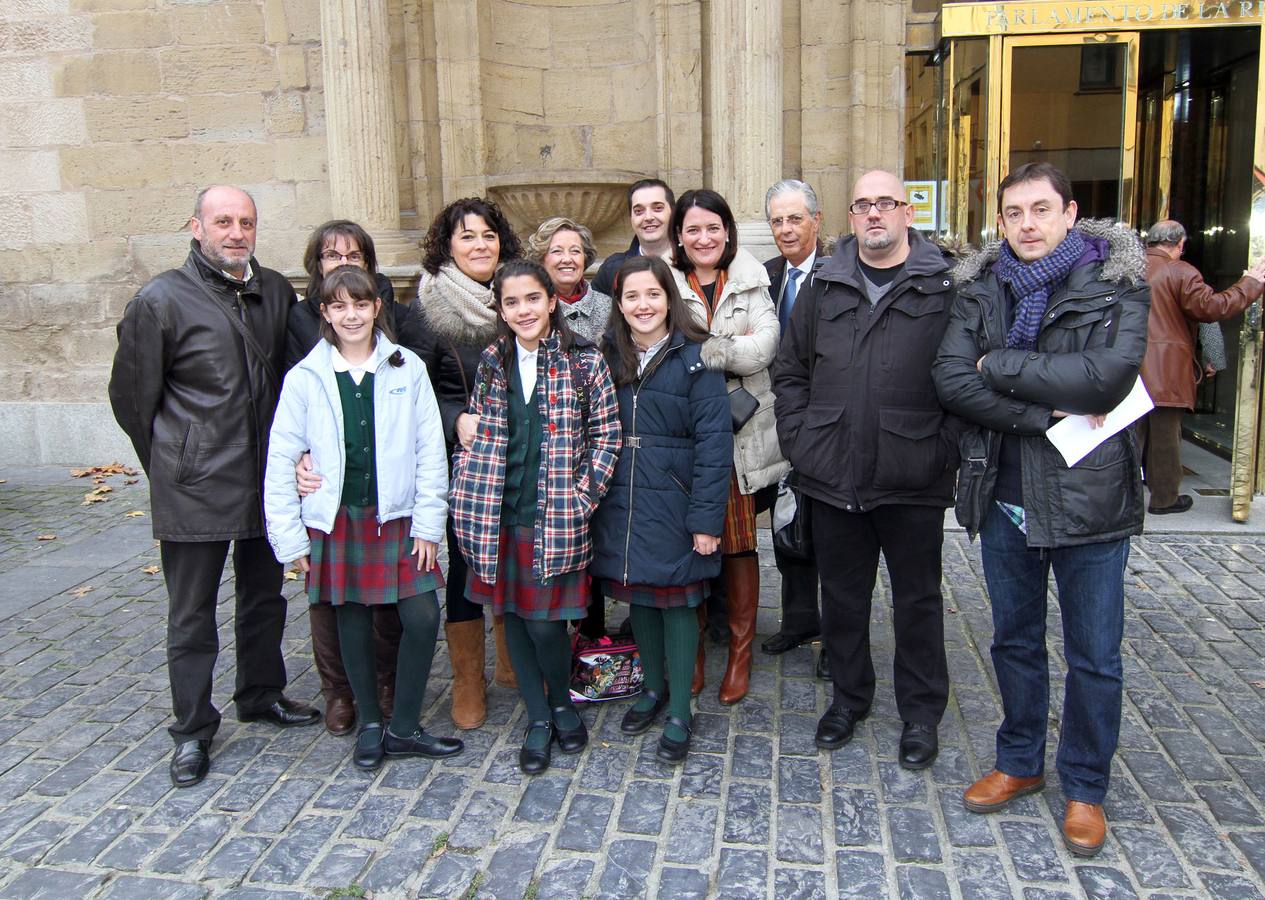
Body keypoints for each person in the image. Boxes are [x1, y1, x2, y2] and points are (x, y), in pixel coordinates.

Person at [933, 162, 1150, 858]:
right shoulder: (979, 288)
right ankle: (1019, 760)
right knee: (1013, 641)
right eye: (1012, 212)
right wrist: (1045, 409)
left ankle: (1084, 787)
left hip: (1090, 500)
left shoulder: (1115, 282)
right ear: (999, 221)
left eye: (1038, 209)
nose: (1025, 224)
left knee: (1094, 656)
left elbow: (1106, 377)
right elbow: (947, 379)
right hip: (1003, 494)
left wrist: (997, 365)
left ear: (1068, 212)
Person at [108, 185, 319, 789]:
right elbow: (131, 399)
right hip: (194, 484)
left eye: (245, 222)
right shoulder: (160, 299)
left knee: (264, 597)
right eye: (222, 221)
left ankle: (260, 692)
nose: (235, 232)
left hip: (264, 479)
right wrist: (176, 462)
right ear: (195, 227)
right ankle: (194, 728)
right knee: (192, 614)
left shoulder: (274, 289)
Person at [303, 198, 524, 731]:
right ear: (447, 247)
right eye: (466, 237)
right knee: (468, 562)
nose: (479, 246)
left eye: (488, 236)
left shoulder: (519, 294)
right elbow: (408, 392)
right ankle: (469, 677)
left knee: (519, 549)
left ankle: (516, 659)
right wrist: (457, 420)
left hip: (521, 452)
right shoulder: (426, 311)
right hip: (463, 459)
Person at [773, 170, 958, 770]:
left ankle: (921, 713)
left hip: (913, 474)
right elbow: (791, 371)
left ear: (907, 212)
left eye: (886, 203)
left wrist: (941, 449)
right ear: (850, 218)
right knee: (844, 598)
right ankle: (850, 699)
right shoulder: (825, 286)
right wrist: (803, 442)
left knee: (918, 601)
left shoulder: (942, 284)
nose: (874, 214)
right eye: (862, 205)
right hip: (832, 471)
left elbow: (962, 379)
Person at [264, 267, 462, 770]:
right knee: (350, 620)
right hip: (338, 520)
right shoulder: (307, 377)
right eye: (339, 306)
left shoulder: (407, 368)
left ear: (377, 307)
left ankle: (405, 727)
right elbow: (282, 457)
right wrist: (290, 541)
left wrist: (427, 527)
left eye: (361, 304)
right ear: (326, 313)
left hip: (398, 517)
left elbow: (429, 453)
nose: (351, 315)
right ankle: (371, 723)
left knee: (422, 617)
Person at [449, 259, 621, 774]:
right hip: (496, 512)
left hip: (554, 516)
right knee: (515, 620)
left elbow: (607, 436)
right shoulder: (492, 361)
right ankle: (539, 718)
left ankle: (563, 703)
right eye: (511, 302)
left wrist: (581, 497)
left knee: (547, 626)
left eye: (532, 299)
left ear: (551, 301)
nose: (523, 310)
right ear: (501, 309)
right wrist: (466, 478)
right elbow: (475, 428)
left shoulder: (584, 361)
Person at [591, 256, 732, 762]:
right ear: (619, 304)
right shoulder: (605, 356)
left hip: (676, 497)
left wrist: (705, 520)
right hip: (622, 495)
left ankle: (679, 709)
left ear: (668, 298)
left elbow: (716, 445)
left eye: (652, 294)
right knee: (640, 595)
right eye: (631, 296)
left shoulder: (697, 357)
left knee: (678, 599)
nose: (642, 305)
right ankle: (651, 689)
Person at [669, 188, 788, 705]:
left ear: (727, 231)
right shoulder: (666, 282)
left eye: (712, 227)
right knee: (688, 544)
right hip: (685, 437)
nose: (703, 237)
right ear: (679, 236)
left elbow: (764, 346)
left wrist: (707, 350)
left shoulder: (751, 280)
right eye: (692, 229)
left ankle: (740, 653)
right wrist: (716, 354)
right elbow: (658, 345)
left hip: (739, 440)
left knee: (739, 544)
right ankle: (692, 651)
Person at [287, 220, 405, 737]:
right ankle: (337, 690)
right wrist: (296, 458)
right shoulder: (296, 320)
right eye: (332, 255)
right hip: (324, 476)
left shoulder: (389, 319)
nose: (344, 262)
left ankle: (384, 682)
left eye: (354, 254)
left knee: (386, 598)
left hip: (379, 478)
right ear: (317, 266)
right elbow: (287, 394)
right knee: (328, 598)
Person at [1138, 220, 1264, 514]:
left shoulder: (1127, 268)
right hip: (1165, 371)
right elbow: (1212, 309)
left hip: (1126, 366)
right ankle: (1164, 498)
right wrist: (1250, 284)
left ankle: (1122, 500)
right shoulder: (1180, 271)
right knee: (1165, 439)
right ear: (1179, 244)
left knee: (1129, 437)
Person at [760, 179, 826, 680]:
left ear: (816, 221)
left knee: (832, 535)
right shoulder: (768, 277)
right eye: (777, 221)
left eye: (794, 219)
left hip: (827, 422)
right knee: (788, 523)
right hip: (778, 418)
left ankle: (838, 634)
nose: (785, 229)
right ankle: (800, 620)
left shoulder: (839, 273)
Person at [526, 216, 613, 344]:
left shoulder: (607, 306)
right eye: (557, 251)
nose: (567, 259)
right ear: (541, 259)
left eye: (575, 251)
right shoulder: (528, 307)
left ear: (585, 257)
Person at [592, 178, 676, 297]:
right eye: (639, 211)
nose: (648, 217)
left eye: (657, 208)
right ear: (631, 218)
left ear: (672, 212)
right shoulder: (612, 269)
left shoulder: (692, 263)